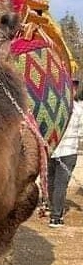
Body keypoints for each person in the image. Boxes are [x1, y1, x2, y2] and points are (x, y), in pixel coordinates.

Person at [47, 79, 83, 228]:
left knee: (55, 183)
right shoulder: (77, 109)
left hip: (59, 151)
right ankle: (55, 215)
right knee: (56, 184)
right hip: (61, 151)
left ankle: (54, 211)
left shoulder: (54, 108)